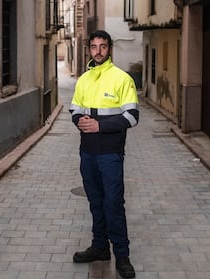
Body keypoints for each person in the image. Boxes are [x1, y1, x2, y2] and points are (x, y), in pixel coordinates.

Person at [69, 30, 139, 279]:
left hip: (110, 154)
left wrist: (99, 125)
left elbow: (132, 117)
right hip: (87, 153)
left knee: (113, 204)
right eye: (94, 47)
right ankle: (100, 248)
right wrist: (80, 120)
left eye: (103, 46)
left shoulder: (122, 79)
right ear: (89, 49)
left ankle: (122, 255)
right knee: (95, 202)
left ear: (110, 49)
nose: (98, 51)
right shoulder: (83, 80)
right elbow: (74, 109)